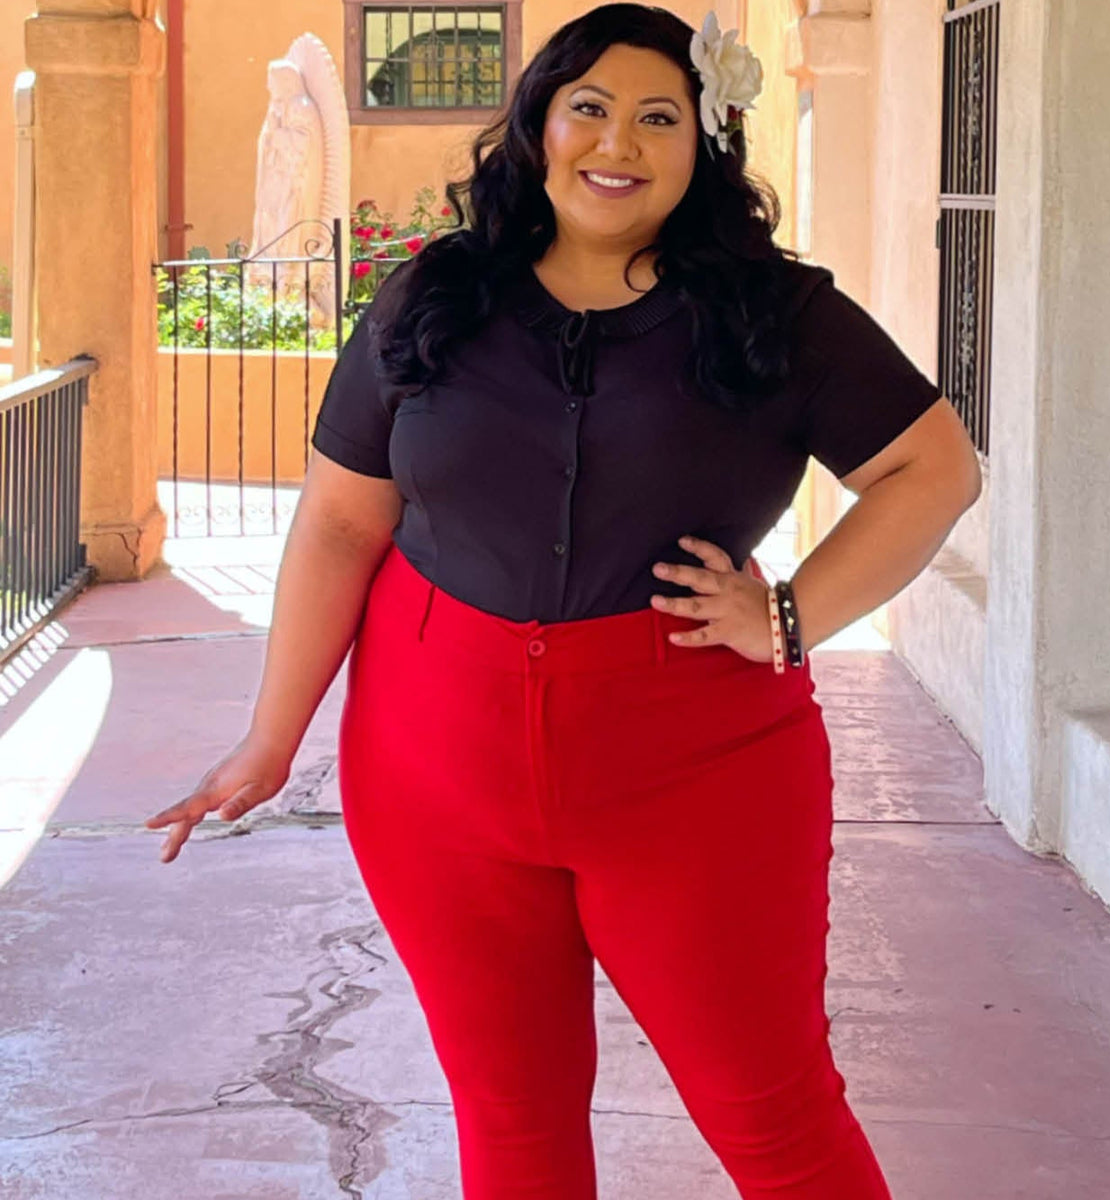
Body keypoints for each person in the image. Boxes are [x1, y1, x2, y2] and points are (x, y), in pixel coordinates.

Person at [146, 5, 981, 1197]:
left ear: (705, 138)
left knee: (773, 1116)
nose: (617, 142)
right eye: (589, 107)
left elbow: (933, 469)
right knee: (511, 1120)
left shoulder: (779, 316)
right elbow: (340, 523)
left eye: (658, 117)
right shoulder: (434, 297)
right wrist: (270, 739)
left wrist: (791, 616)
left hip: (698, 776)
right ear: (540, 122)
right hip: (434, 775)